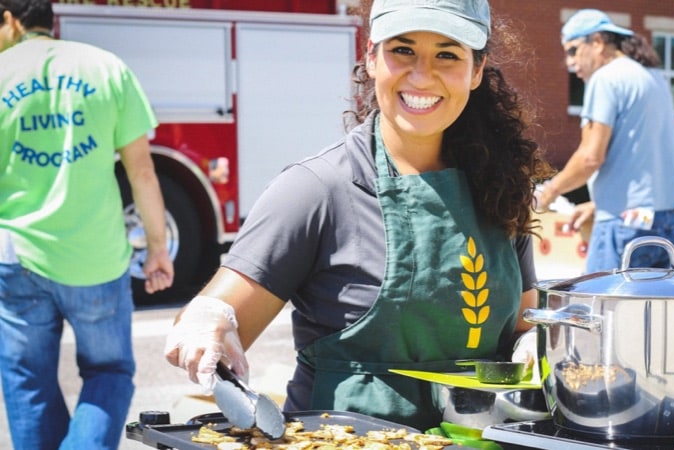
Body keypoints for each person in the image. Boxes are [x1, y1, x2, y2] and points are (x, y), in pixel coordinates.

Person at [164, 0, 552, 431]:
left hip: (481, 438)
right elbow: (214, 315)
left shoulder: (500, 189)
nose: (422, 75)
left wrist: (533, 344)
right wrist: (210, 324)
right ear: (371, 57)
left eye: (447, 54)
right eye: (403, 50)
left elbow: (521, 324)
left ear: (476, 71)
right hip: (342, 438)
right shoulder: (315, 190)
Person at [0, 0, 174, 448]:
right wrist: (157, 248)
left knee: (28, 380)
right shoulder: (106, 68)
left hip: (16, 257)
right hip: (96, 259)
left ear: (10, 19)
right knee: (108, 371)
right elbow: (142, 171)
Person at [535, 8, 674, 273]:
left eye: (572, 50)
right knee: (652, 312)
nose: (569, 62)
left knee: (603, 311)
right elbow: (643, 160)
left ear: (598, 42)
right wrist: (597, 205)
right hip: (665, 222)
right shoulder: (652, 77)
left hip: (623, 225)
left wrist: (547, 193)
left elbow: (590, 157)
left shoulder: (605, 78)